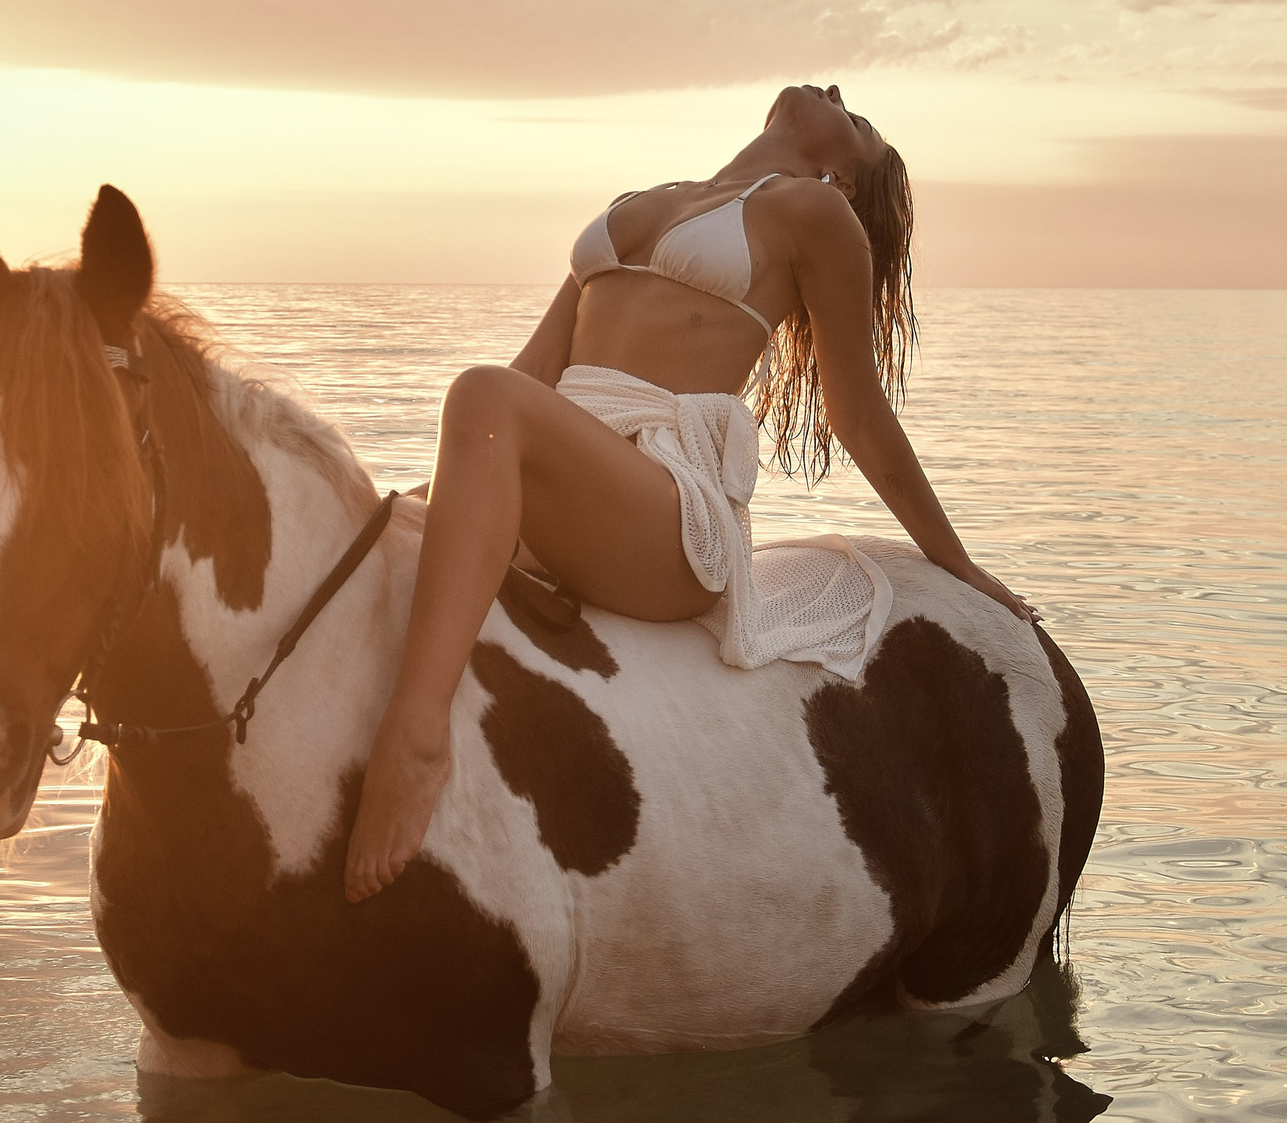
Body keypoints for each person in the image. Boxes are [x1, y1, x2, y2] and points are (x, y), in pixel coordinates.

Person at [345, 83, 1035, 903]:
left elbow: (857, 413)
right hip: (571, 481)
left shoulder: (816, 219)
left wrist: (955, 562)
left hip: (671, 515)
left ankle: (417, 736)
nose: (839, 94)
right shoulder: (646, 203)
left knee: (481, 393)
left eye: (860, 122)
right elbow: (537, 375)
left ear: (844, 179)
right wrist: (420, 501)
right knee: (382, 517)